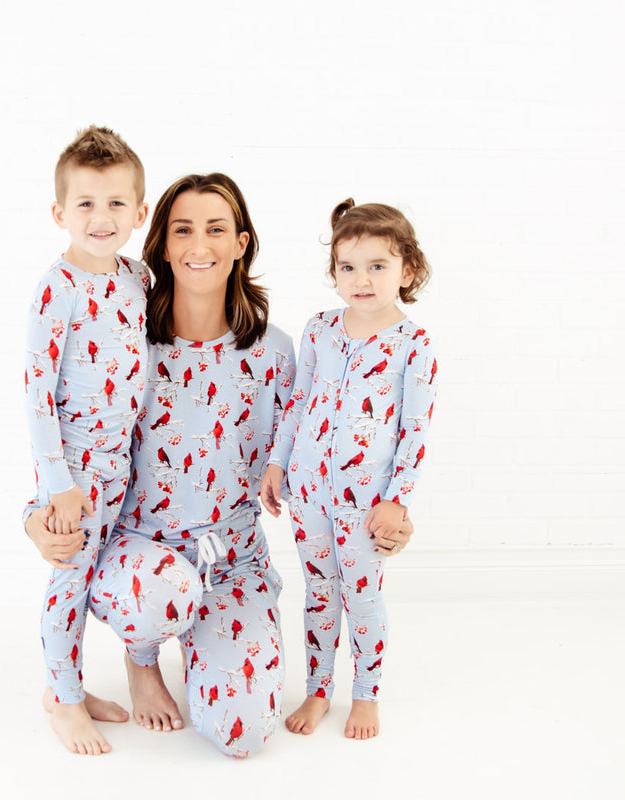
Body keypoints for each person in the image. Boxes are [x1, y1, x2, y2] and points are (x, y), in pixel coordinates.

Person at [26, 177, 416, 757]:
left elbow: (325, 450)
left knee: (242, 734)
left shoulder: (280, 353)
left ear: (240, 243)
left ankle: (207, 647)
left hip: (230, 560)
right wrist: (37, 514)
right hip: (138, 556)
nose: (198, 244)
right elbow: (80, 435)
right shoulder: (127, 341)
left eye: (215, 229)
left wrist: (388, 508)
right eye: (182, 229)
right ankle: (143, 660)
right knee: (162, 593)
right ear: (160, 243)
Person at [260, 200, 437, 740]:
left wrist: (397, 497)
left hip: (367, 499)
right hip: (308, 489)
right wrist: (276, 464)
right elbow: (297, 402)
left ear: (407, 270)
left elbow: (415, 429)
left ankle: (366, 693)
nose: (361, 279)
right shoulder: (319, 330)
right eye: (348, 267)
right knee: (318, 589)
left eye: (377, 266)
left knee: (361, 594)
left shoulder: (414, 345)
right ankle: (318, 691)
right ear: (334, 272)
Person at [24, 125, 149, 755]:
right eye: (86, 204)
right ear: (59, 212)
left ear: (140, 211)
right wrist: (58, 485)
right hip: (75, 468)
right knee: (70, 577)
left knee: (96, 573)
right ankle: (64, 701)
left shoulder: (136, 276)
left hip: (121, 462)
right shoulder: (59, 289)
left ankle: (65, 682)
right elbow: (37, 392)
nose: (101, 218)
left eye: (116, 203)